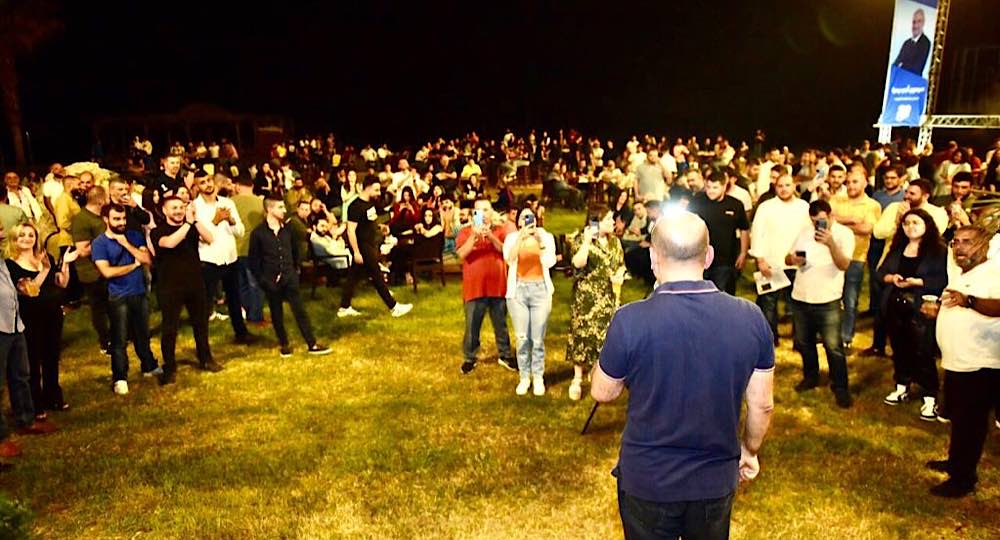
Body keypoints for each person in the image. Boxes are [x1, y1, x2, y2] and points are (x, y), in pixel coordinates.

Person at [591, 209, 774, 539]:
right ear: (709, 256)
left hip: (648, 478)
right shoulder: (750, 317)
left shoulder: (630, 320)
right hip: (713, 480)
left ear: (653, 258)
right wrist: (750, 450)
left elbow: (603, 392)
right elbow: (762, 405)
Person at [922, 226, 1000, 498]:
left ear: (985, 244)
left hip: (980, 362)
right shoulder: (963, 273)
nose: (959, 247)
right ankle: (956, 462)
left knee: (971, 422)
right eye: (956, 242)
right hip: (957, 360)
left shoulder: (994, 271)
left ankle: (963, 479)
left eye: (968, 242)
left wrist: (969, 301)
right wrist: (937, 311)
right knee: (959, 417)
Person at [877, 209, 948, 420]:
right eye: (906, 223)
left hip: (920, 307)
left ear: (927, 225)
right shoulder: (898, 248)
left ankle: (930, 396)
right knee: (899, 347)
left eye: (916, 223)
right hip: (895, 305)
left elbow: (944, 279)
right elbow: (880, 273)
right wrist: (892, 278)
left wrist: (919, 282)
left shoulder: (938, 251)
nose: (910, 227)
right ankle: (902, 385)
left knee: (923, 351)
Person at [786, 200, 855, 408]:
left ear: (831, 216)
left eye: (822, 221)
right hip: (801, 296)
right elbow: (788, 258)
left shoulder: (844, 234)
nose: (818, 225)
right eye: (815, 221)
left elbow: (844, 264)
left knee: (833, 346)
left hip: (827, 298)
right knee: (804, 342)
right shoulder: (805, 232)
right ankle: (811, 376)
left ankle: (840, 386)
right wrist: (793, 260)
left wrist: (830, 243)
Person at [5, 222, 76, 414]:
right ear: (14, 239)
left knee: (52, 356)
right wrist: (44, 270)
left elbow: (61, 283)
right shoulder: (10, 265)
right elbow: (30, 291)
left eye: (31, 235)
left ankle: (53, 396)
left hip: (52, 314)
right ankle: (35, 402)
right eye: (22, 235)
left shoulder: (45, 257)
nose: (27, 239)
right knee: (33, 359)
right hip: (30, 317)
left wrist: (65, 263)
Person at [150, 197, 222, 385]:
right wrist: (188, 224)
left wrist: (195, 221)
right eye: (174, 208)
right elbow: (169, 243)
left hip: (195, 283)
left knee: (200, 324)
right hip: (170, 286)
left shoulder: (191, 226)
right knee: (170, 327)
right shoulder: (158, 231)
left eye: (181, 207)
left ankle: (206, 358)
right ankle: (169, 366)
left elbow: (210, 238)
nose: (179, 211)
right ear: (164, 211)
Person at [248, 197, 332, 357]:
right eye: (280, 207)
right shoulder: (258, 233)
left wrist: (294, 270)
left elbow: (294, 251)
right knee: (276, 312)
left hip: (289, 276)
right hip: (271, 280)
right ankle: (284, 344)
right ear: (270, 209)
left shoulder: (288, 230)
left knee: (300, 310)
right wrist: (264, 281)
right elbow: (254, 261)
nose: (284, 210)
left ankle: (312, 343)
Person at [91, 203, 159, 395]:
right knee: (119, 339)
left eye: (123, 219)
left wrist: (126, 244)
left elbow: (147, 260)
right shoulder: (99, 243)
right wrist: (133, 266)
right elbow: (107, 272)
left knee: (143, 334)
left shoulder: (134, 236)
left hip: (139, 292)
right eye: (116, 219)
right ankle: (120, 377)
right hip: (118, 296)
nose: (121, 223)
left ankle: (149, 366)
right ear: (106, 219)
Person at [565, 205, 623, 400]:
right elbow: (577, 263)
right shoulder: (581, 240)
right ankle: (576, 378)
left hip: (608, 296)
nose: (613, 222)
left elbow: (620, 265)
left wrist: (619, 275)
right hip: (586, 298)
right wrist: (587, 242)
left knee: (604, 336)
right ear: (596, 221)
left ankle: (596, 371)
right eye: (608, 219)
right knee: (582, 335)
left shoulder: (615, 242)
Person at [192, 171, 256, 344]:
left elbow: (240, 232)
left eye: (209, 180)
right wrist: (215, 220)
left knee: (234, 298)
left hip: (230, 256)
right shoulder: (195, 207)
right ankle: (202, 341)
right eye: (202, 182)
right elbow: (201, 237)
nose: (208, 184)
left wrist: (231, 221)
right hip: (209, 260)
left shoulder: (227, 202)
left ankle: (241, 333)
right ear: (196, 187)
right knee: (205, 302)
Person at [339, 175, 413, 318]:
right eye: (376, 190)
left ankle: (344, 307)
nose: (379, 193)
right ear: (367, 188)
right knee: (377, 275)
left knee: (353, 276)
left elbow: (370, 221)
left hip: (370, 243)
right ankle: (393, 307)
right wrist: (356, 252)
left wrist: (380, 227)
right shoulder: (355, 206)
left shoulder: (371, 204)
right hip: (362, 246)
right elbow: (351, 231)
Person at [456, 198, 515, 374]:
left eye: (486, 210)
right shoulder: (465, 232)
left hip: (498, 286)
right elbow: (461, 254)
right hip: (474, 287)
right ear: (474, 213)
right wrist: (474, 236)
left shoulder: (501, 230)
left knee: (500, 323)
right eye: (478, 211)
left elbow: (506, 251)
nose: (483, 214)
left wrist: (490, 235)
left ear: (492, 211)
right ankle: (469, 357)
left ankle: (505, 355)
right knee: (472, 325)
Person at [750, 174, 811, 344]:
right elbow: (757, 233)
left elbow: (807, 234)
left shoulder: (803, 207)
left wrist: (803, 258)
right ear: (775, 187)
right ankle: (770, 339)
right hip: (771, 263)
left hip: (796, 263)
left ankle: (800, 340)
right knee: (768, 303)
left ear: (794, 186)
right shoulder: (766, 207)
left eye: (787, 185)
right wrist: (760, 259)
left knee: (798, 304)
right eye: (780, 186)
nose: (784, 189)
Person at [503, 207, 556, 396]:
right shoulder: (512, 238)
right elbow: (509, 258)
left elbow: (550, 262)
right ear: (518, 222)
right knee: (522, 338)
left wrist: (540, 242)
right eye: (524, 218)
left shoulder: (546, 237)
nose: (528, 221)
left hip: (540, 290)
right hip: (518, 291)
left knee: (537, 339)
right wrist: (521, 238)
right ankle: (524, 377)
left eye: (530, 217)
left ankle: (538, 376)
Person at [830, 169, 882, 350]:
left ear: (865, 183)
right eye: (849, 182)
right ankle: (829, 332)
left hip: (856, 257)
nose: (851, 185)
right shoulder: (836, 199)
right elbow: (827, 219)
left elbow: (866, 229)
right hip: (832, 254)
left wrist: (839, 223)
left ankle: (846, 336)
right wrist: (851, 220)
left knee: (850, 299)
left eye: (855, 182)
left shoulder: (872, 205)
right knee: (831, 297)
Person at [861, 165, 906, 357]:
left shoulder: (903, 199)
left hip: (894, 247)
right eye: (886, 178)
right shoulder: (877, 195)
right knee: (876, 282)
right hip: (877, 243)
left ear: (901, 179)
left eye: (893, 178)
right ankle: (875, 312)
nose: (889, 181)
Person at [688, 171, 750, 295]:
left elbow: (744, 229)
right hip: (699, 257)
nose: (711, 191)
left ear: (724, 186)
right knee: (699, 293)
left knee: (721, 294)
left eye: (715, 187)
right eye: (708, 187)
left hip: (725, 259)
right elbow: (686, 225)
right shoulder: (696, 202)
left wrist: (743, 253)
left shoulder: (735, 205)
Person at [231, 175, 266, 325]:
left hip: (235, 248)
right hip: (254, 248)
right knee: (255, 284)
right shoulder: (261, 203)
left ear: (238, 186)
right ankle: (256, 316)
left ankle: (245, 310)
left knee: (242, 283)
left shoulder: (230, 202)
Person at [893, 8, 931, 75]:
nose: (915, 25)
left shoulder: (926, 43)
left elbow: (917, 67)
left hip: (911, 80)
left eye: (919, 21)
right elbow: (897, 62)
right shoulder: (907, 43)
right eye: (914, 22)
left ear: (923, 23)